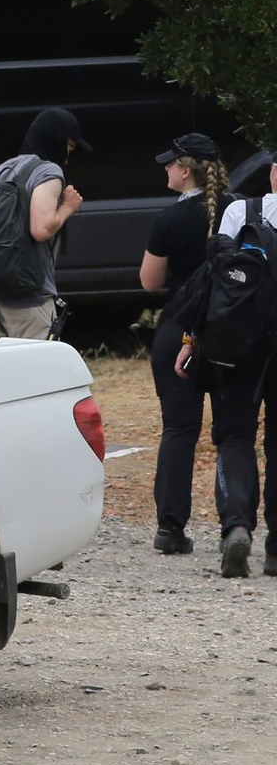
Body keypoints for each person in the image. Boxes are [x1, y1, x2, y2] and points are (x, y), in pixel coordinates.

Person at [176, 151, 277, 578]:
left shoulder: (241, 212)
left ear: (273, 175)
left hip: (239, 348)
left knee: (235, 436)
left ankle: (236, 526)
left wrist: (191, 338)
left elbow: (214, 281)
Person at [138, 134, 230, 556]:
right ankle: (236, 523)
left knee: (179, 429)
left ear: (186, 170)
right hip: (231, 328)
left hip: (179, 324)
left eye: (171, 164)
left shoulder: (168, 219)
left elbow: (150, 281)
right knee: (234, 433)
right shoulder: (239, 210)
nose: (166, 169)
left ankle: (170, 526)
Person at [0, 107, 89, 346]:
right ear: (56, 141)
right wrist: (68, 206)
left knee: (3, 369)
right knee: (38, 369)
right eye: (69, 147)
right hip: (31, 301)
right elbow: (41, 229)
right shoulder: (48, 172)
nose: (66, 158)